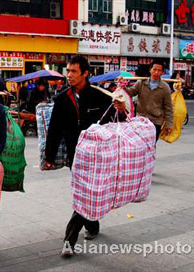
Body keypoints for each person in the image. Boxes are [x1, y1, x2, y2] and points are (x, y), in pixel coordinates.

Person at [44, 56, 122, 257]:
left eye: (73, 72)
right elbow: (54, 129)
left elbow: (116, 121)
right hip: (75, 156)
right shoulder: (62, 98)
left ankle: (69, 241)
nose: (69, 75)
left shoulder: (101, 97)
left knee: (85, 195)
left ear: (85, 73)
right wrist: (49, 156)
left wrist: (121, 109)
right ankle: (93, 225)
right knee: (85, 193)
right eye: (67, 71)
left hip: (98, 156)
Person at [117, 60, 173, 142]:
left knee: (151, 146)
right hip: (140, 120)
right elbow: (130, 93)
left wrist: (169, 125)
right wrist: (123, 86)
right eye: (154, 69)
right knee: (140, 145)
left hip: (156, 122)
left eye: (159, 70)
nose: (156, 72)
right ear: (150, 70)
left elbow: (168, 107)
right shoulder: (141, 83)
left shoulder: (165, 87)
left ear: (162, 73)